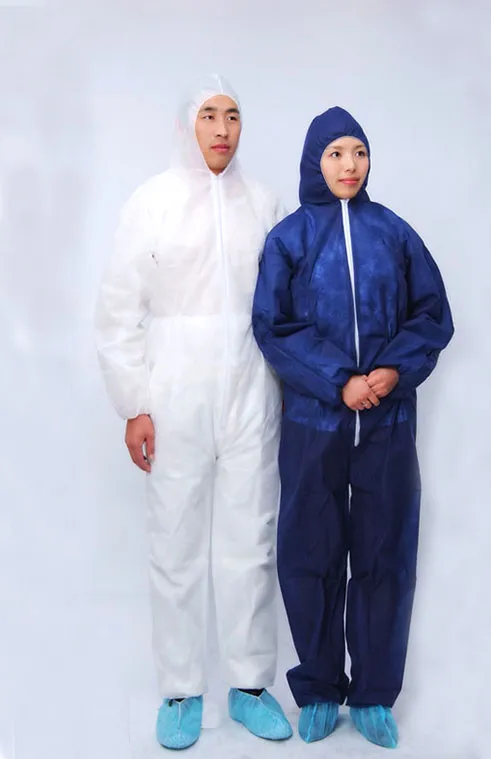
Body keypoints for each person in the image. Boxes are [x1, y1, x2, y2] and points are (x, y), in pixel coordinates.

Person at [95, 74, 292, 751]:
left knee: (250, 541)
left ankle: (249, 684)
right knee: (175, 540)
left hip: (251, 389)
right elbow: (119, 308)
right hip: (174, 391)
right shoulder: (151, 201)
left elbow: (284, 303)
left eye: (232, 115)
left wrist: (287, 387)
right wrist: (133, 405)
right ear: (187, 125)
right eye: (209, 115)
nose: (222, 129)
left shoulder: (263, 202)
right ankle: (181, 689)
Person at [252, 106, 454, 748]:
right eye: (336, 153)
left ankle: (372, 694)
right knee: (310, 554)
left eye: (359, 152)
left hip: (387, 424)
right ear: (315, 161)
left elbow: (432, 314)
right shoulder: (289, 239)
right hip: (314, 422)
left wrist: (392, 371)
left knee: (384, 555)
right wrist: (340, 380)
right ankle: (317, 688)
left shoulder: (394, 233)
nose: (350, 165)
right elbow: (274, 327)